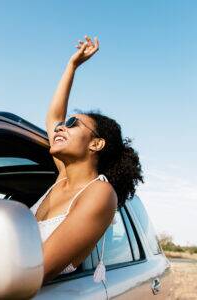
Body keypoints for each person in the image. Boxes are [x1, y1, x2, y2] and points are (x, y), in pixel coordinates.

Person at [30, 35, 143, 284]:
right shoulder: (62, 178)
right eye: (64, 124)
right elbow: (54, 117)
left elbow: (38, 270)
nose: (61, 127)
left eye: (73, 124)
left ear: (96, 144)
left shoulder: (100, 193)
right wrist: (72, 66)